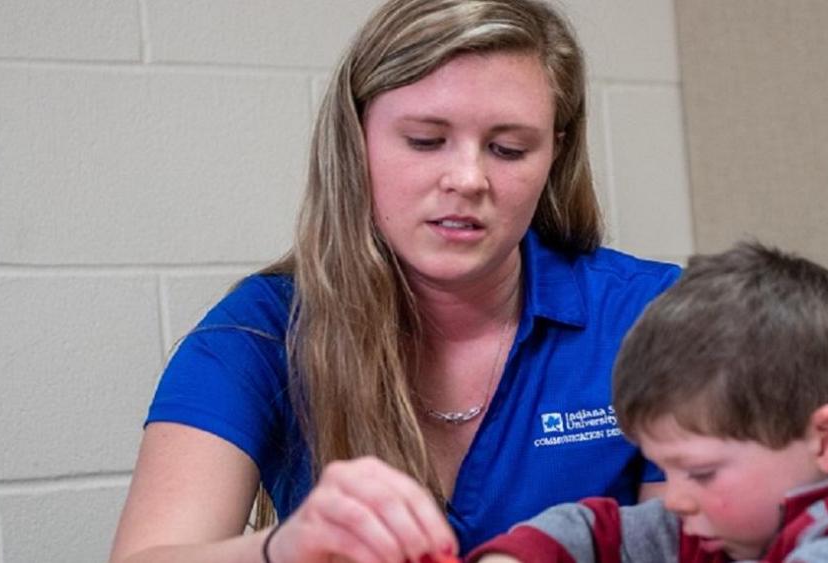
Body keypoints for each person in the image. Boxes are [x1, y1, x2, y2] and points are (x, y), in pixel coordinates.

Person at [109, 0, 682, 561]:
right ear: (356, 143)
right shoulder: (260, 334)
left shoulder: (653, 316)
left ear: (554, 154)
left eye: (509, 149)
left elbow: (701, 542)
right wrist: (282, 550)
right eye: (426, 141)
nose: (467, 178)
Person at [468, 242, 828, 562]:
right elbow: (598, 529)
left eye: (700, 472)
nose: (675, 498)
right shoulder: (720, 524)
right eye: (667, 469)